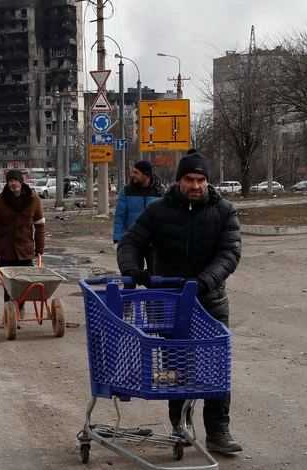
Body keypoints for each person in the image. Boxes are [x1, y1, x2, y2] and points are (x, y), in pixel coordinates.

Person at [116, 152, 243, 454]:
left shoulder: (225, 211)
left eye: (201, 180)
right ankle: (180, 426)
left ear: (208, 182)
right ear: (179, 181)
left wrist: (203, 281)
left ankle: (218, 431)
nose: (195, 185)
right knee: (177, 364)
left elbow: (230, 254)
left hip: (209, 299)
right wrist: (131, 269)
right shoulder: (159, 210)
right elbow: (130, 241)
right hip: (170, 299)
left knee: (215, 365)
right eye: (189, 179)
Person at [0, 169, 46, 308]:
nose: (13, 183)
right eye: (10, 181)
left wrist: (40, 247)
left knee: (25, 283)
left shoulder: (33, 200)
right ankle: (10, 311)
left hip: (25, 249)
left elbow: (40, 225)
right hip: (5, 250)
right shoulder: (0, 200)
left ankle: (19, 308)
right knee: (9, 285)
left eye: (15, 180)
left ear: (21, 182)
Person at [113, 160, 164, 273]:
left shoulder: (160, 191)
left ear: (145, 174)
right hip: (133, 242)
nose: (133, 175)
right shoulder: (126, 191)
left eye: (136, 172)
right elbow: (120, 217)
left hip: (154, 243)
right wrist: (117, 239)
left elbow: (167, 217)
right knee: (130, 278)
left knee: (156, 279)